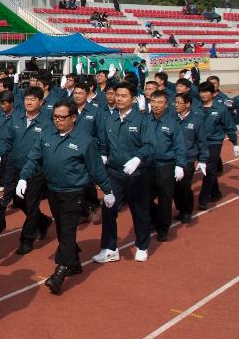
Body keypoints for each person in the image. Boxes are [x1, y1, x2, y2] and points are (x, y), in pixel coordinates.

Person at [17, 99, 108, 294]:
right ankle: (74, 262)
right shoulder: (47, 134)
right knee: (60, 228)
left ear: (73, 118)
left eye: (62, 117)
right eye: (55, 117)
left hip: (74, 193)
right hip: (53, 190)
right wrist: (24, 177)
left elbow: (96, 169)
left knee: (67, 231)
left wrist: (107, 191)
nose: (57, 120)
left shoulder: (85, 141)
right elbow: (35, 157)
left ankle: (60, 272)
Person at [94, 82, 154, 264]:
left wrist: (137, 159)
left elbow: (150, 145)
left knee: (139, 211)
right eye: (117, 95)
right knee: (109, 209)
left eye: (123, 96)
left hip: (137, 175)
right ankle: (110, 248)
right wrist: (103, 156)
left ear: (133, 99)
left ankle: (142, 246)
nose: (119, 99)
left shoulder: (142, 120)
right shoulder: (109, 119)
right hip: (114, 173)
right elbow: (104, 143)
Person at [6, 86, 52, 254]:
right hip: (17, 167)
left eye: (33, 99)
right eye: (27, 99)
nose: (29, 102)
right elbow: (8, 139)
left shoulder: (47, 122)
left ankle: (27, 240)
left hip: (36, 171)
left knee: (31, 204)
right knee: (18, 201)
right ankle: (43, 221)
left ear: (41, 102)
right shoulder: (16, 118)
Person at [144, 91, 186, 242]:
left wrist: (180, 165)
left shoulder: (172, 123)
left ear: (166, 105)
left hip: (166, 166)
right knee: (144, 197)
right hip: (148, 166)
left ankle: (163, 228)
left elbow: (179, 145)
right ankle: (154, 218)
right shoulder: (145, 120)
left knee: (165, 198)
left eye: (160, 102)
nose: (155, 105)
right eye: (153, 102)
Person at [173, 92, 209, 223]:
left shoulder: (196, 121)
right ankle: (180, 209)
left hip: (187, 159)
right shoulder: (172, 119)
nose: (175, 105)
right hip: (173, 158)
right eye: (175, 102)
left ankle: (187, 211)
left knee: (184, 186)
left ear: (187, 104)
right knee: (175, 188)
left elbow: (202, 142)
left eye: (179, 103)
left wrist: (203, 159)